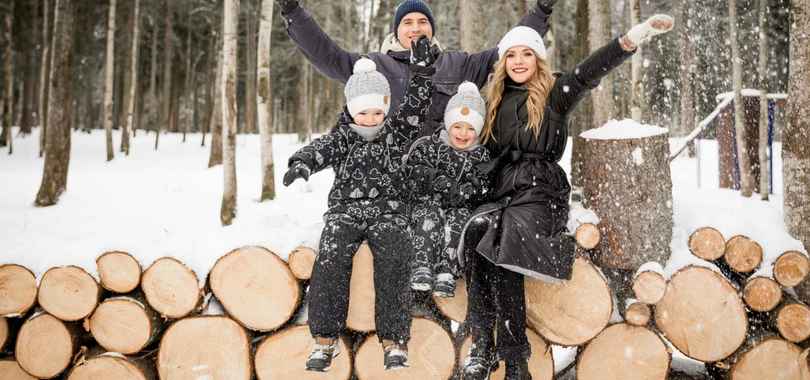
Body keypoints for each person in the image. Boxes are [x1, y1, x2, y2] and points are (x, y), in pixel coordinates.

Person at [459, 16, 675, 380]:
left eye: (527, 53)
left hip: (541, 192)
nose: (519, 61)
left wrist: (630, 39)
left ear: (539, 60)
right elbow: (472, 142)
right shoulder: (492, 101)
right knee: (479, 230)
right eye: (512, 54)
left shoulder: (555, 94)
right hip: (503, 191)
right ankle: (481, 345)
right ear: (503, 62)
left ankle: (515, 362)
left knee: (506, 242)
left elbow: (589, 72)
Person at [282, 38, 438, 372]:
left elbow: (415, 108)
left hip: (389, 210)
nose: (371, 118)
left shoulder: (396, 134)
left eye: (378, 111)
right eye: (364, 111)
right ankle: (324, 340)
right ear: (352, 109)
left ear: (385, 108)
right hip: (345, 212)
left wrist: (422, 73)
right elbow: (320, 148)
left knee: (396, 255)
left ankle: (394, 340)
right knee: (332, 254)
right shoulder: (343, 137)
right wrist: (303, 163)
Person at [275, 0, 556, 132]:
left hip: (442, 172)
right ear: (396, 30)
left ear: (431, 29)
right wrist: (293, 12)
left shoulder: (458, 64)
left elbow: (508, 48)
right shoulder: (373, 66)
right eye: (407, 22)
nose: (415, 28)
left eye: (422, 22)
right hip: (391, 175)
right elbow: (327, 56)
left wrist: (541, 11)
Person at [401, 81, 491, 297]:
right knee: (428, 218)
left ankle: (446, 271)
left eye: (471, 128)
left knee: (459, 222)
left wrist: (468, 190)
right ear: (448, 124)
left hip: (459, 205)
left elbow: (484, 183)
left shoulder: (481, 156)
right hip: (427, 201)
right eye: (458, 126)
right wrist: (437, 180)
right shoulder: (431, 146)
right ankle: (421, 264)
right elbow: (414, 169)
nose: (463, 133)